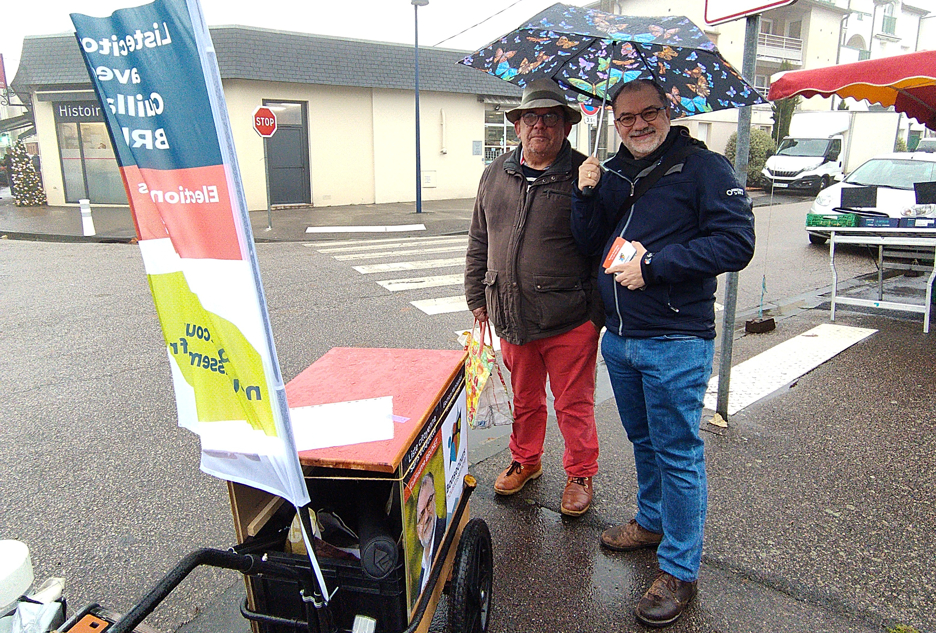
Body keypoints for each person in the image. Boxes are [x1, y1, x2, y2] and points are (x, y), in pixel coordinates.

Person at [571, 79, 755, 627]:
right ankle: (650, 522)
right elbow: (589, 242)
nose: (638, 125)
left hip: (675, 341)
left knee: (678, 452)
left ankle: (679, 568)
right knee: (644, 439)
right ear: (615, 119)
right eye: (626, 117)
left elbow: (735, 244)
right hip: (621, 339)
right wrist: (585, 193)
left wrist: (654, 266)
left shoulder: (706, 169)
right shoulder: (616, 169)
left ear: (669, 111)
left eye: (649, 113)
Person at [465, 79, 604, 517]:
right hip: (512, 315)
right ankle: (526, 460)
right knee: (524, 399)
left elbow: (603, 247)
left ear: (565, 125)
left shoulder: (585, 172)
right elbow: (478, 239)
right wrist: (476, 295)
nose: (539, 125)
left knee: (574, 403)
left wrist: (595, 317)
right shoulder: (495, 173)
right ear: (518, 125)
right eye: (531, 117)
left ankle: (580, 473)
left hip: (569, 319)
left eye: (550, 117)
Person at [415, 471, 445, 593]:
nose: (427, 516)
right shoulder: (419, 570)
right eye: (421, 514)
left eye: (430, 501)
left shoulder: (445, 532)